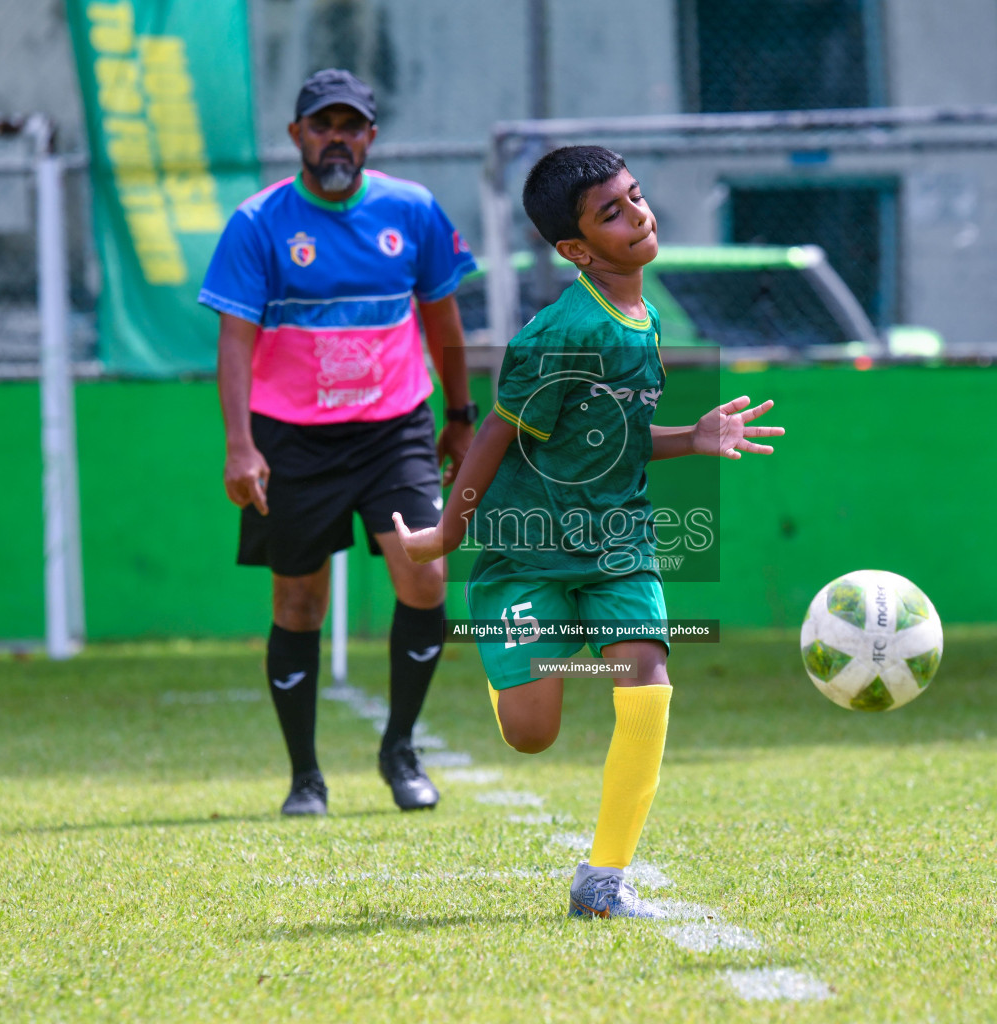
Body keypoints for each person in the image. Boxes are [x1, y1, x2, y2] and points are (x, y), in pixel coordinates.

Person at [390, 146, 783, 918]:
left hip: (618, 545)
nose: (637, 216)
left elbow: (616, 431)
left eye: (636, 198)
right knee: (532, 733)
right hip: (526, 552)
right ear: (574, 249)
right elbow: (494, 441)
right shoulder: (556, 336)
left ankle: (602, 882)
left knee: (647, 681)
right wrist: (444, 537)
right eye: (613, 211)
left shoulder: (646, 316)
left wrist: (691, 437)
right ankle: (540, 656)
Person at [198, 69, 479, 816]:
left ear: (370, 138)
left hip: (395, 429)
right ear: (296, 136)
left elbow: (443, 321)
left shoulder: (411, 210)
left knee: (426, 576)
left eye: (351, 126)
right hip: (291, 437)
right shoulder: (258, 224)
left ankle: (400, 749)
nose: (337, 140)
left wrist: (459, 412)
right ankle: (305, 779)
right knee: (298, 602)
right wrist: (240, 445)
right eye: (322, 125)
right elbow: (234, 343)